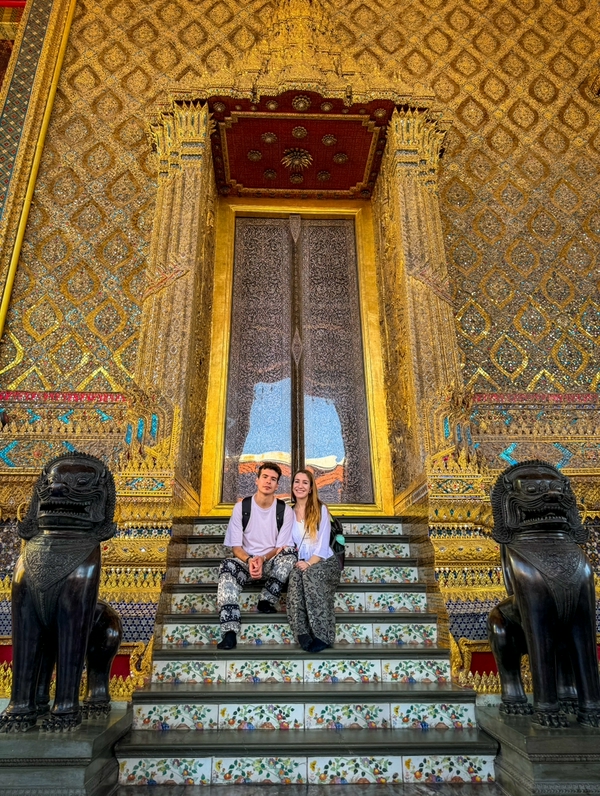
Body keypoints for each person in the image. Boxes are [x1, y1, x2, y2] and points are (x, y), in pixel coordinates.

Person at [217, 461, 296, 650]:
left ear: (277, 485)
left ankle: (266, 599)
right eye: (265, 477)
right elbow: (236, 547)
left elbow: (280, 548)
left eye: (273, 479)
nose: (268, 482)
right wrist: (250, 560)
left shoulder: (285, 511)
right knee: (226, 566)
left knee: (290, 554)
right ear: (257, 480)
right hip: (246, 562)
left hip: (271, 562)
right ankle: (229, 630)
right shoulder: (241, 508)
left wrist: (262, 559)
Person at [286, 468, 341, 653]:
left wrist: (309, 563)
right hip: (301, 561)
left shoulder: (320, 509)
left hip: (324, 561)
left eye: (304, 482)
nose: (300, 486)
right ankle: (301, 631)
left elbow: (323, 545)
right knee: (294, 577)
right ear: (292, 486)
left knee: (310, 575)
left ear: (310, 488)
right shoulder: (288, 513)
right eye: (296, 482)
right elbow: (287, 543)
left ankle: (322, 634)